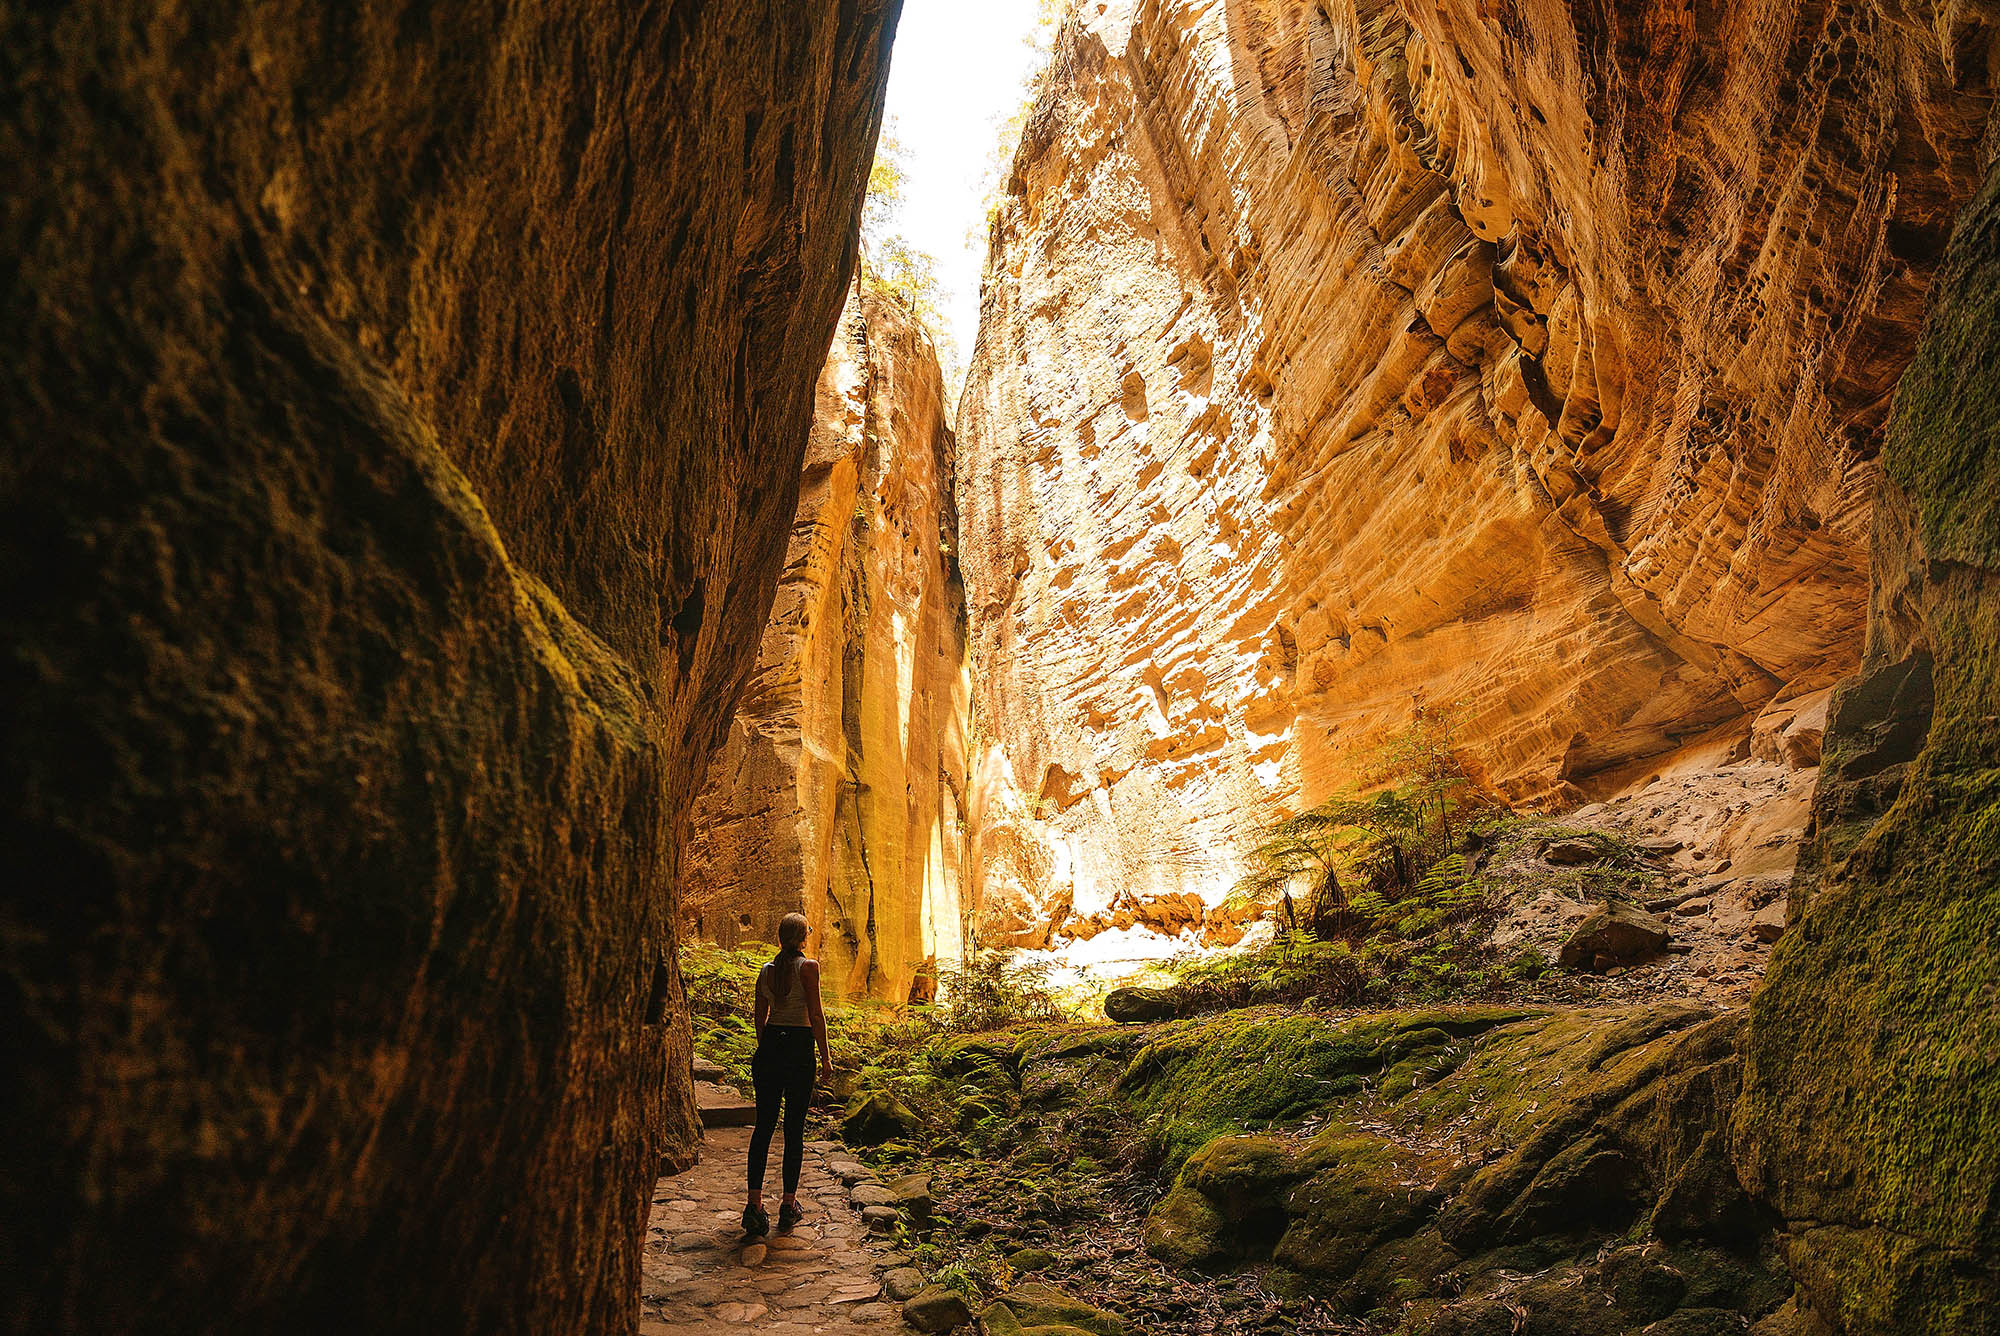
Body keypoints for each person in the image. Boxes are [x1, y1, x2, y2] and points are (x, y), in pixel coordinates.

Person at [742, 912, 834, 1236]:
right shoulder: (808, 968)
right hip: (798, 1050)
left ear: (781, 938)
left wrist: (765, 1047)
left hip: (769, 1049)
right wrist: (826, 1058)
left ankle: (753, 1207)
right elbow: (816, 1013)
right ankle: (788, 1203)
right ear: (803, 937)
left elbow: (759, 1017)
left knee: (763, 1128)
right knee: (794, 1130)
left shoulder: (766, 972)